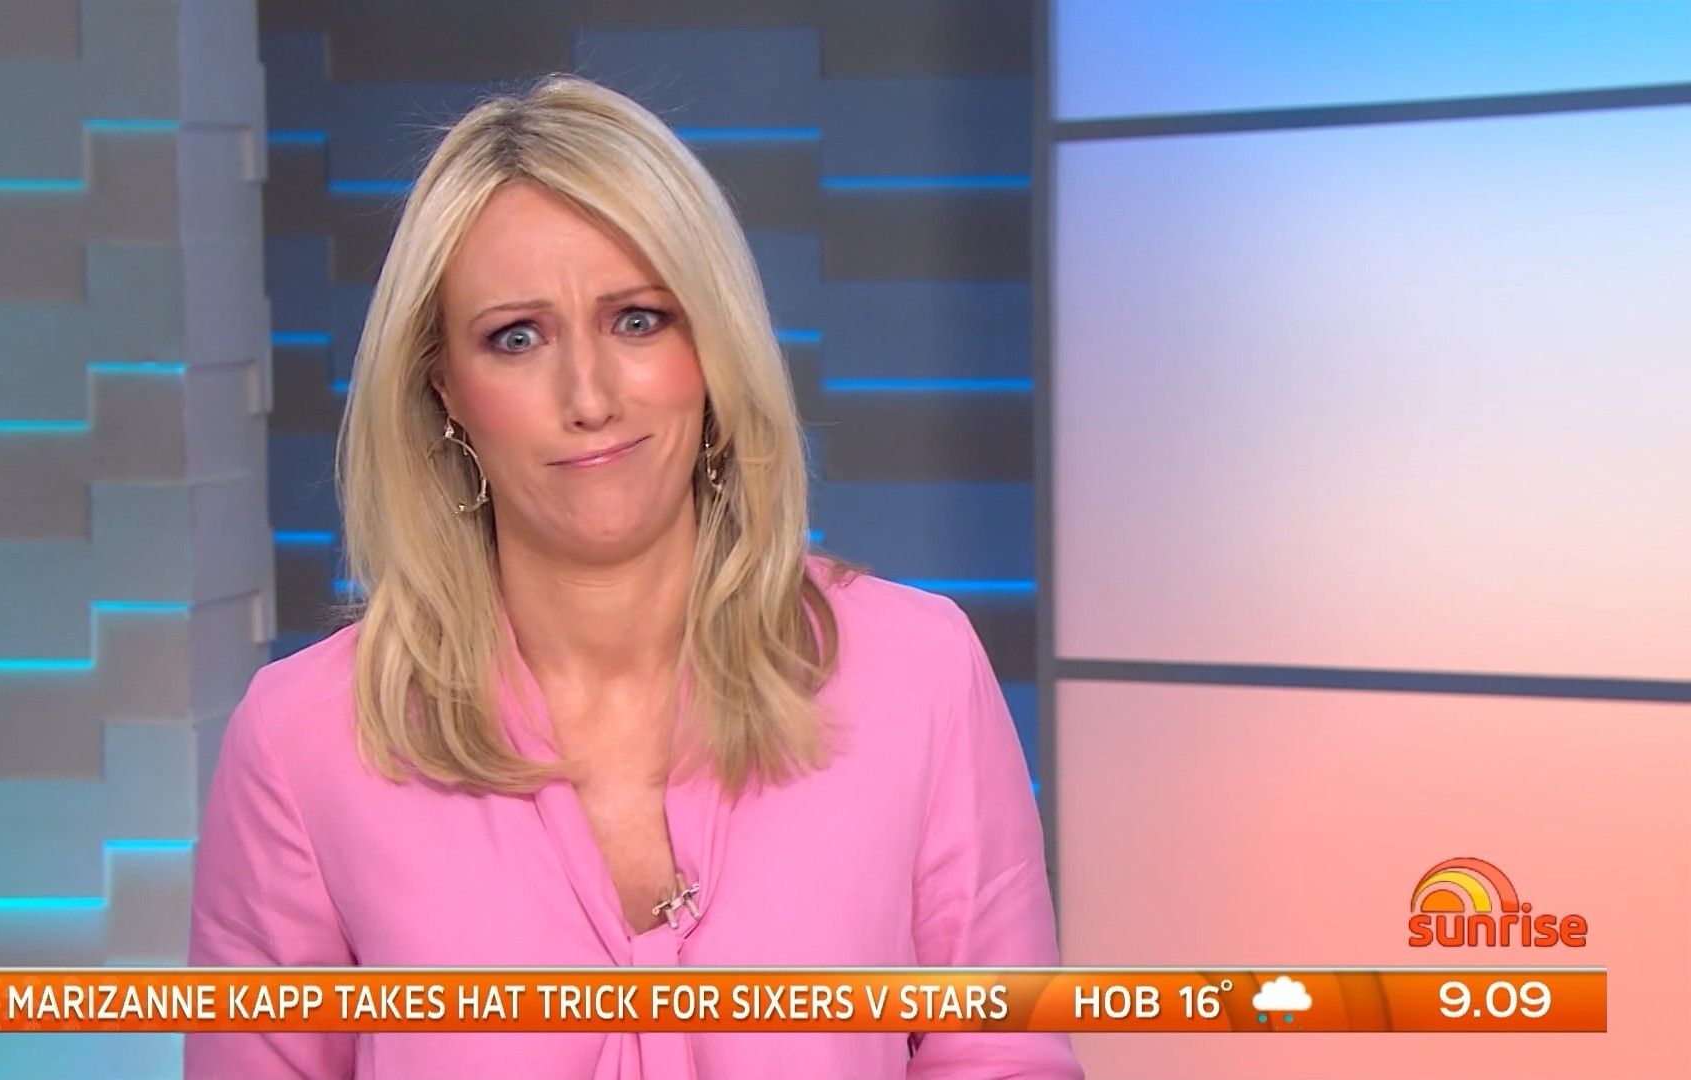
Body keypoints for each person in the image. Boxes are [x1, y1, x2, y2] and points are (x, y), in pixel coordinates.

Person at [186, 72, 1083, 1080]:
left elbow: (1000, 1056)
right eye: (516, 337)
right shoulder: (304, 743)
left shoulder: (918, 673)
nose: (591, 396)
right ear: (445, 389)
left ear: (712, 344)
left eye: (638, 320)